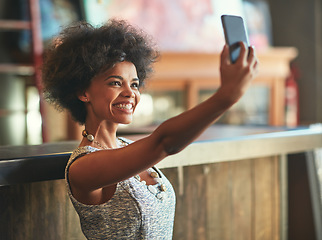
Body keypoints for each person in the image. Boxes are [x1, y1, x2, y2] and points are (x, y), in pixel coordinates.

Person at [42, 19, 258, 239]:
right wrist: (226, 96)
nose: (130, 93)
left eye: (134, 84)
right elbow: (164, 142)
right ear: (83, 92)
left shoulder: (126, 147)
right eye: (116, 83)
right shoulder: (83, 167)